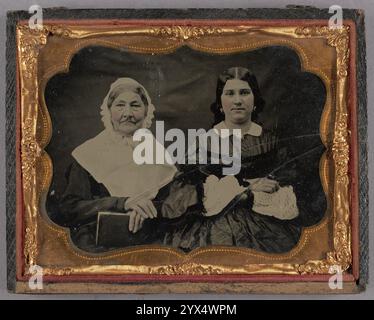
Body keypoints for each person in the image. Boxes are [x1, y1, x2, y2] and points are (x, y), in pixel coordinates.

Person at [161, 67, 306, 253]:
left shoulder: (271, 140)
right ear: (220, 103)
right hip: (215, 221)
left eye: (244, 93)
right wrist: (246, 187)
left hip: (266, 220)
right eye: (230, 93)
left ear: (255, 100)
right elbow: (193, 189)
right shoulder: (204, 142)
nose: (237, 100)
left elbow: (288, 182)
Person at [58, 78, 198, 252]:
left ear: (146, 111)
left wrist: (146, 209)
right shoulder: (88, 153)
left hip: (149, 237)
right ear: (109, 111)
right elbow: (69, 209)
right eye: (120, 105)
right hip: (98, 240)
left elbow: (171, 200)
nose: (127, 113)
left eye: (135, 105)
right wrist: (123, 203)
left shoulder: (156, 151)